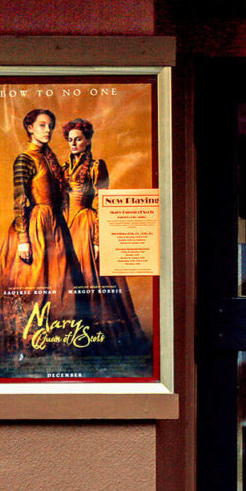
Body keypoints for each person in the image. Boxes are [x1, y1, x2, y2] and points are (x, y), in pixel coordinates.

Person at [0, 108, 83, 375]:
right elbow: (20, 198)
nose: (48, 130)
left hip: (55, 226)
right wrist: (23, 238)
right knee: (31, 286)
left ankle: (52, 347)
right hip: (33, 227)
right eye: (42, 125)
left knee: (60, 285)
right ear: (30, 128)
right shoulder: (25, 158)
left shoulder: (51, 159)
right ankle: (25, 348)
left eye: (50, 126)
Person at [62, 117, 148, 355]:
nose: (73, 143)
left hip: (87, 224)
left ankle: (99, 339)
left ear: (88, 140)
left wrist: (99, 239)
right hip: (68, 226)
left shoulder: (96, 165)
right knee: (70, 279)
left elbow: (102, 201)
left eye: (78, 139)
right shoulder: (64, 167)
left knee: (91, 278)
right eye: (70, 140)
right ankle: (76, 336)